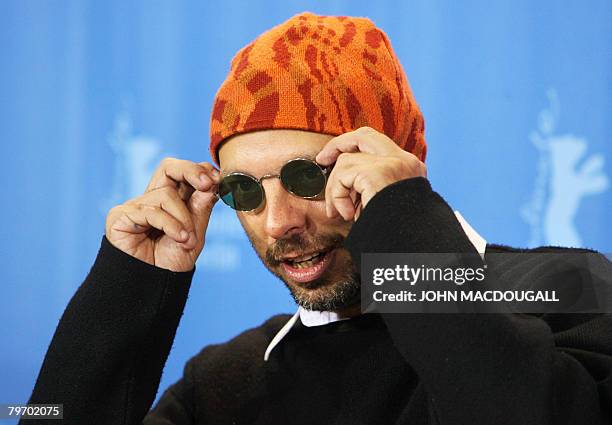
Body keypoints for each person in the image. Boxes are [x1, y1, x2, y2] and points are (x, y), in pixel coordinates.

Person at [25, 12, 612, 425]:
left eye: (308, 177)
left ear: (389, 163)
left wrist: (404, 214)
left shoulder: (566, 286)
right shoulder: (230, 379)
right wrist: (126, 295)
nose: (278, 221)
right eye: (243, 191)